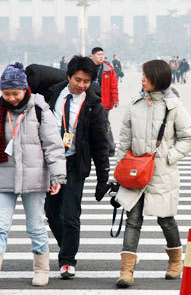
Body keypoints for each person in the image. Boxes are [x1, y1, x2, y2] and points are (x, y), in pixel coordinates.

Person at [0, 63, 67, 293]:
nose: (12, 98)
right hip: (4, 175)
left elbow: (52, 145)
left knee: (36, 226)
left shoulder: (39, 109)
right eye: (7, 93)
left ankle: (41, 269)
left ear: (25, 89)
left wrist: (57, 176)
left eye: (15, 93)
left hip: (35, 178)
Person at [114, 59, 191, 288]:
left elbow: (189, 139)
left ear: (156, 79)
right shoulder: (135, 104)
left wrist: (169, 157)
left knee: (166, 219)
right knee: (133, 219)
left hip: (162, 173)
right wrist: (121, 168)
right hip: (135, 172)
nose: (142, 79)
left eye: (146, 76)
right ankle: (126, 270)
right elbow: (124, 140)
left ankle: (175, 262)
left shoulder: (174, 106)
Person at [44, 55, 111, 279]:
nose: (81, 85)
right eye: (77, 80)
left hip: (74, 164)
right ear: (68, 76)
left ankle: (67, 261)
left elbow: (100, 144)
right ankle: (67, 245)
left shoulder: (93, 106)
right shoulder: (52, 95)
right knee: (51, 212)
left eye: (86, 81)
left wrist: (103, 179)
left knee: (71, 214)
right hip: (50, 164)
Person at [91, 47, 119, 157]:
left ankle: (110, 148)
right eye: (98, 54)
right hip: (90, 101)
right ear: (93, 55)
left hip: (104, 102)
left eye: (102, 54)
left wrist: (115, 99)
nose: (101, 56)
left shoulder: (108, 69)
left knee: (105, 124)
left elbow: (114, 86)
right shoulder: (87, 68)